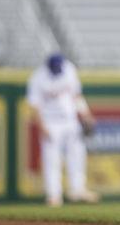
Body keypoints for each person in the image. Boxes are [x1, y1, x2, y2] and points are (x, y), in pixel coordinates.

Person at [26, 53, 100, 207]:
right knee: (52, 160)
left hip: (70, 120)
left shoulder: (69, 69)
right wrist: (42, 126)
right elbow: (35, 106)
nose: (58, 70)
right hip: (50, 123)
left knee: (78, 154)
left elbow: (77, 96)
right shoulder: (38, 77)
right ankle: (54, 195)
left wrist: (85, 115)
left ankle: (77, 190)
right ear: (48, 66)